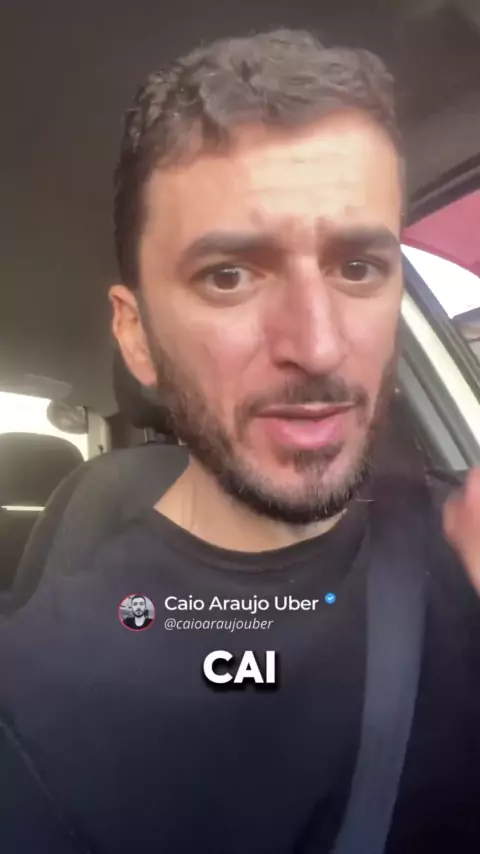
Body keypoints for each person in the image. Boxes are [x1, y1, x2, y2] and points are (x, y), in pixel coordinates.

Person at [1, 28, 480, 854]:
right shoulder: (35, 706)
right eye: (229, 275)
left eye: (358, 267)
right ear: (137, 334)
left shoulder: (463, 546)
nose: (318, 346)